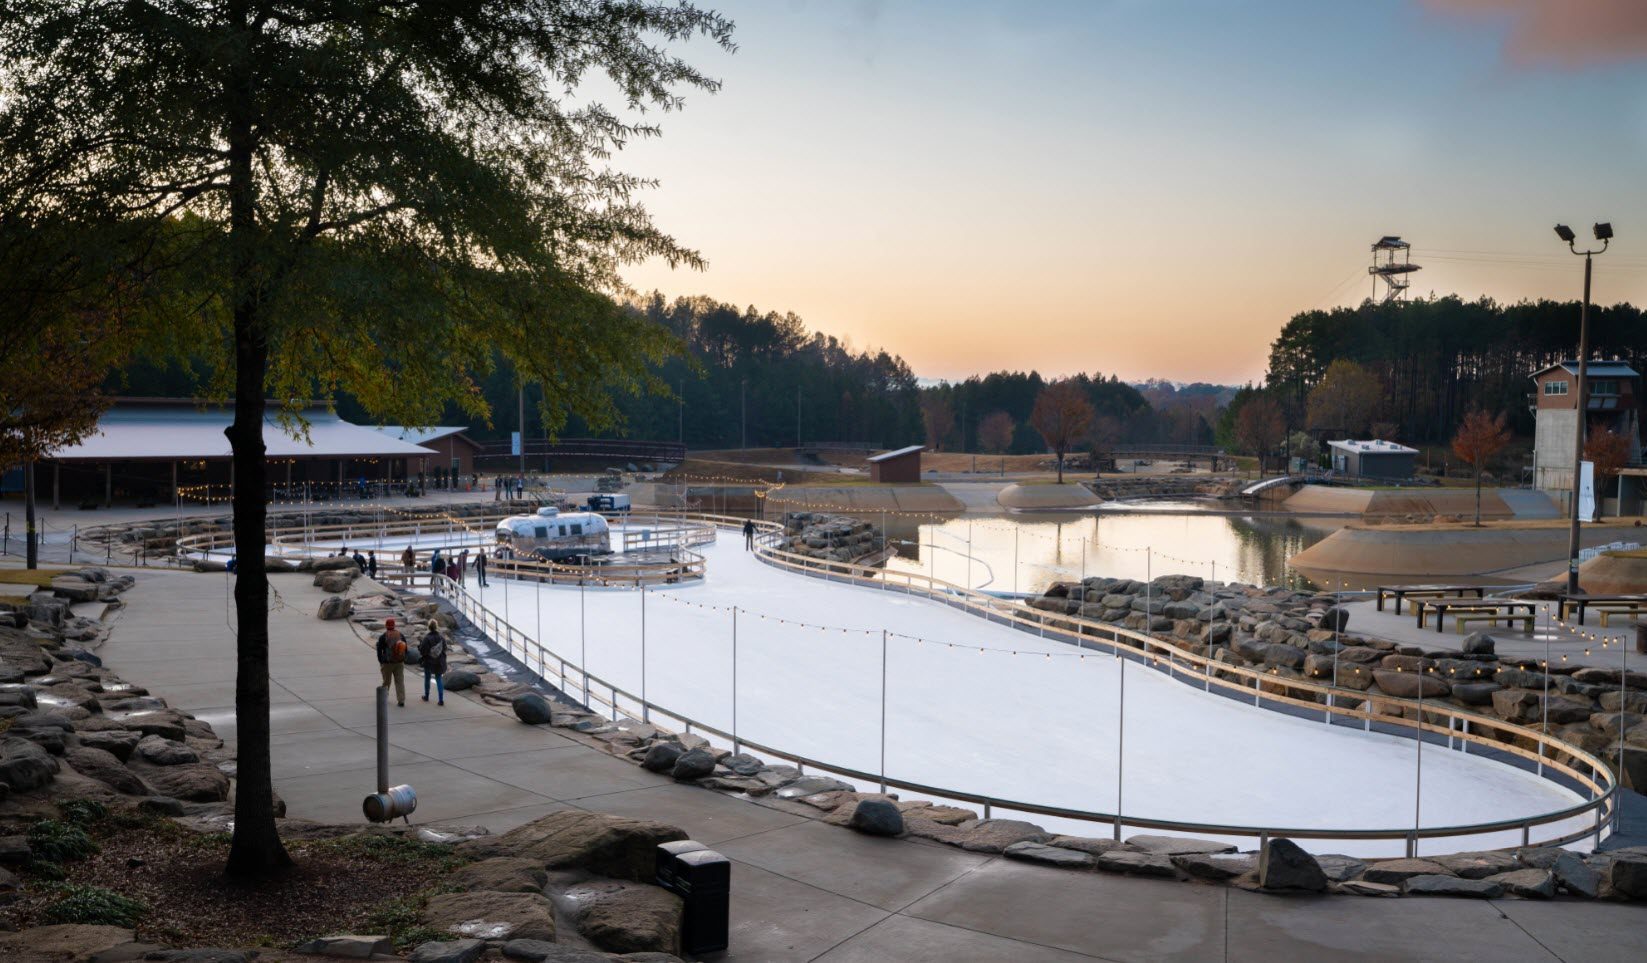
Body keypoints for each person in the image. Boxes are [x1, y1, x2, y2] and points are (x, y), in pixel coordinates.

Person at [376, 617, 408, 707]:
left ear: (386, 626)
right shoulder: (400, 635)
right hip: (399, 662)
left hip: (387, 663)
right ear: (394, 625)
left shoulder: (383, 636)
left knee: (386, 682)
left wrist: (381, 661)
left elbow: (379, 650)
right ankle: (401, 700)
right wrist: (403, 659)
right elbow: (406, 648)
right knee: (400, 682)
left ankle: (384, 698)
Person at [419, 620, 448, 705]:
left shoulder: (427, 638)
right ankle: (441, 699)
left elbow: (423, 651)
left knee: (427, 679)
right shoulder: (441, 637)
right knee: (438, 679)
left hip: (429, 662)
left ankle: (427, 696)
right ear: (436, 627)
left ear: (429, 627)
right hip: (439, 662)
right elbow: (445, 648)